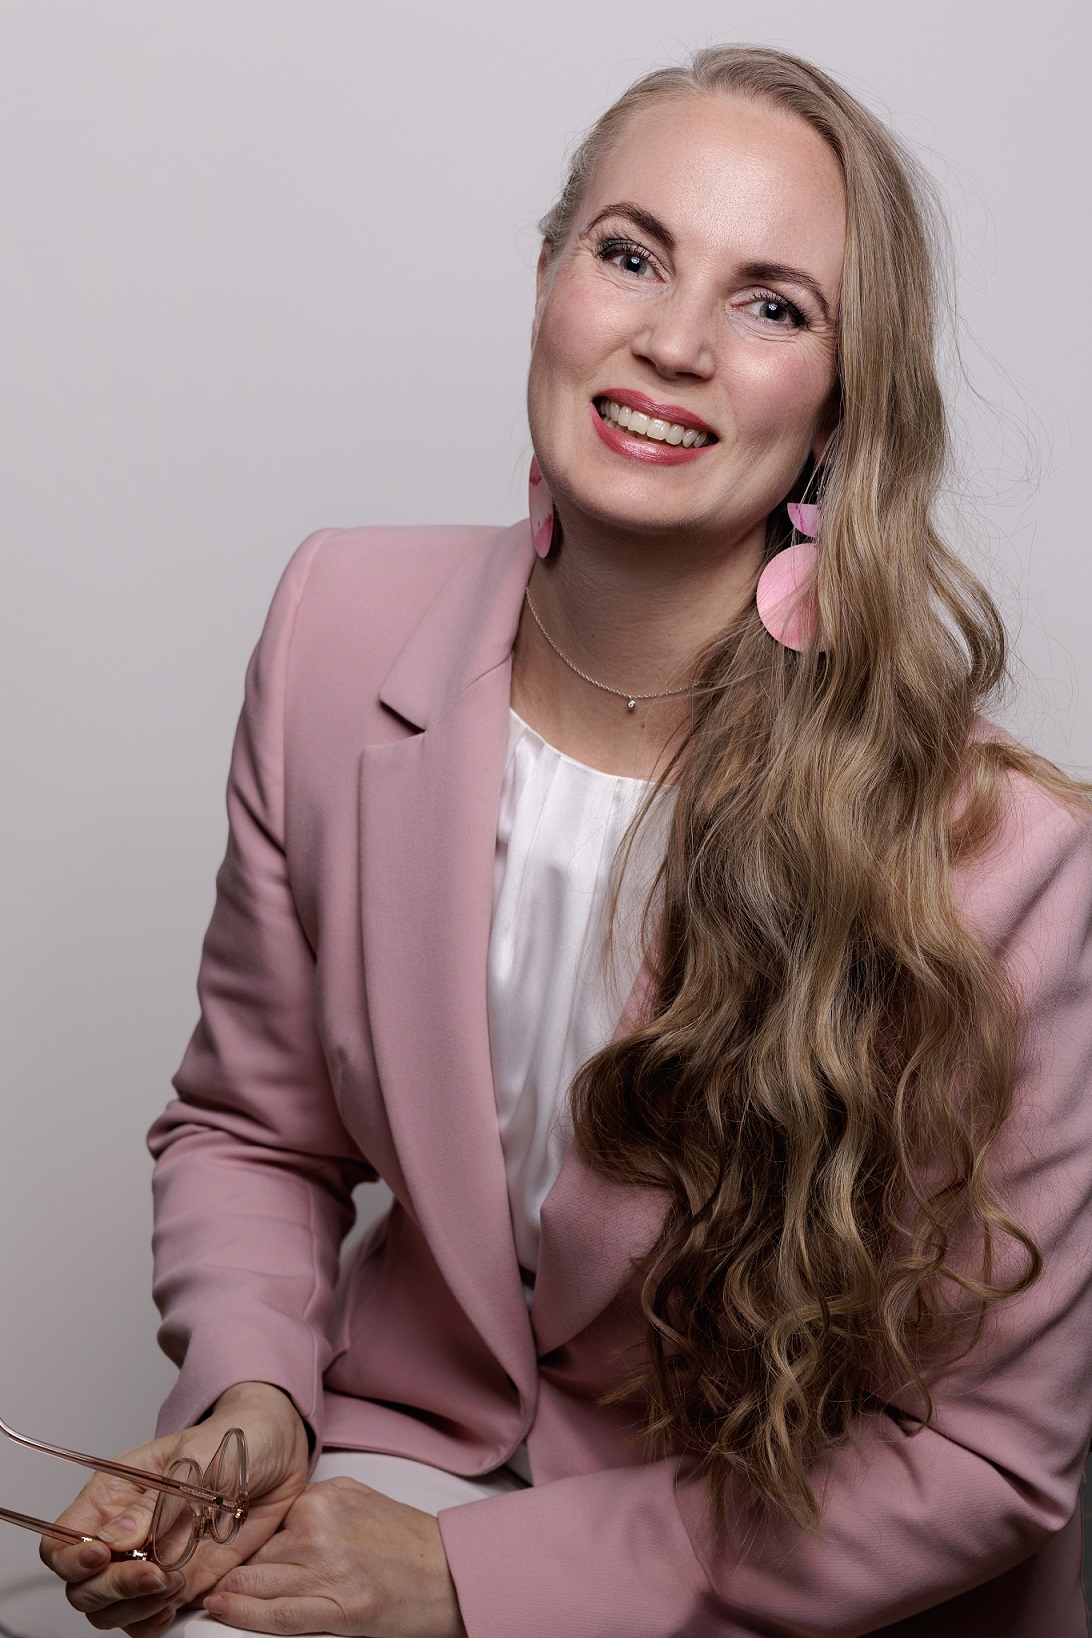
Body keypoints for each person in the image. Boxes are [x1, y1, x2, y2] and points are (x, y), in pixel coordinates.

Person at [40, 43, 1092, 1638]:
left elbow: (987, 1454)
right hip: (401, 1453)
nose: (674, 342)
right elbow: (256, 1128)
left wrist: (471, 1579)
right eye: (630, 254)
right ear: (548, 283)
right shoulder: (336, 622)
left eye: (772, 304)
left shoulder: (1004, 852)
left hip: (766, 1562)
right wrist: (250, 1397)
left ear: (842, 401)